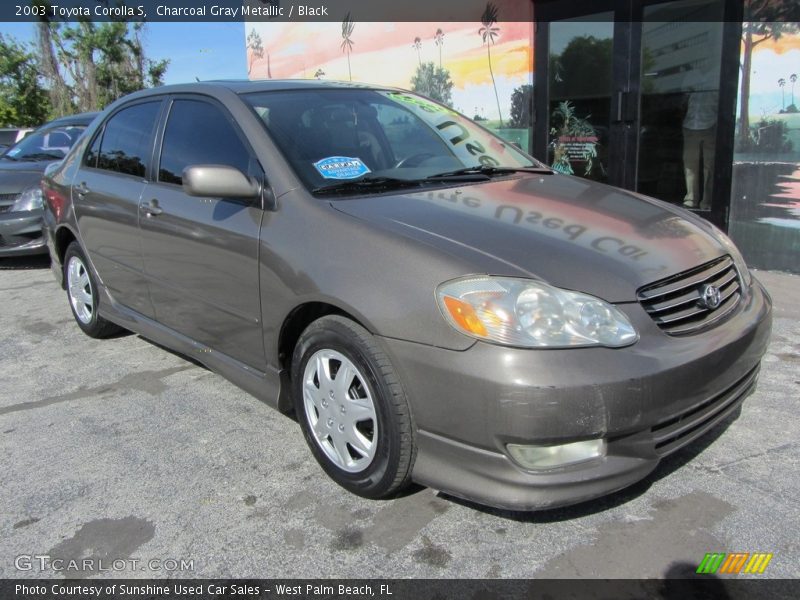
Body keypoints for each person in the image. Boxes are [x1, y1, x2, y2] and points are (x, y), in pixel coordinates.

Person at [681, 63, 718, 210]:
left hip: (711, 123)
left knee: (709, 166)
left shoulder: (717, 74)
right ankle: (691, 199)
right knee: (690, 165)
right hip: (690, 125)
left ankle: (707, 201)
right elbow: (684, 97)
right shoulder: (691, 75)